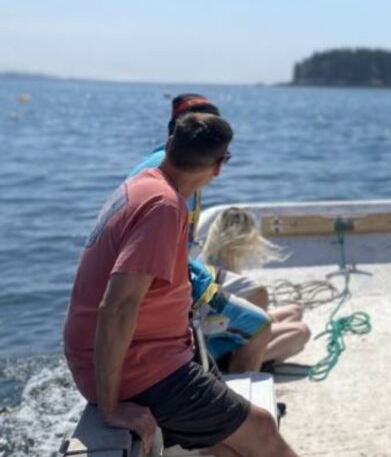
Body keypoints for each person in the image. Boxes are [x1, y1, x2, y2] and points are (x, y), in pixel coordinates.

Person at [64, 114, 299, 456]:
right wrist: (110, 405)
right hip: (142, 368)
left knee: (231, 445)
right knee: (261, 428)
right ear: (220, 166)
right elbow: (117, 307)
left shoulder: (143, 182)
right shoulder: (163, 207)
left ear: (170, 144)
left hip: (151, 356)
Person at [130, 94, 306, 373]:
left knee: (279, 306)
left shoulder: (172, 166)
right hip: (174, 292)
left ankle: (236, 349)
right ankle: (230, 384)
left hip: (187, 272)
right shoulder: (167, 184)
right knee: (282, 327)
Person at [202, 207, 311, 367]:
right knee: (300, 331)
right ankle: (253, 360)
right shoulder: (251, 289)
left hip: (215, 332)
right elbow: (256, 330)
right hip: (224, 349)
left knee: (295, 310)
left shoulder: (204, 264)